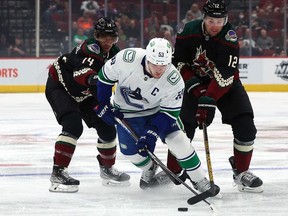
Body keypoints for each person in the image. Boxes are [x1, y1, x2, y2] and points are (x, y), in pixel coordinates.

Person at [94, 37, 220, 196]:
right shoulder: (127, 58)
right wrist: (103, 103)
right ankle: (150, 167)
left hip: (157, 111)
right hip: (127, 112)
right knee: (131, 153)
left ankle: (199, 180)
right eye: (155, 64)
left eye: (163, 65)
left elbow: (169, 114)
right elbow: (105, 78)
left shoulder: (174, 80)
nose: (159, 69)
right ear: (147, 58)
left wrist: (152, 132)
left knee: (179, 141)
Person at [172, 0, 263, 193]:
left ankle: (241, 171)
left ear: (226, 20)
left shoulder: (229, 37)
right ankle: (174, 170)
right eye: (211, 20)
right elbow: (178, 62)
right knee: (182, 127)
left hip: (226, 86)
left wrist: (209, 99)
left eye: (219, 21)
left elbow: (226, 72)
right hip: (193, 84)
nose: (215, 25)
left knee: (245, 125)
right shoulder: (188, 31)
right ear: (204, 18)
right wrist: (194, 86)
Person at [45, 17, 130, 193]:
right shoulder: (89, 49)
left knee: (107, 127)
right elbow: (80, 74)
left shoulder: (115, 52)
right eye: (103, 37)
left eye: (111, 37)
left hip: (86, 93)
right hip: (61, 87)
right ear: (96, 36)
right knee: (73, 126)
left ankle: (107, 170)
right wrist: (98, 81)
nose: (107, 41)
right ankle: (58, 172)